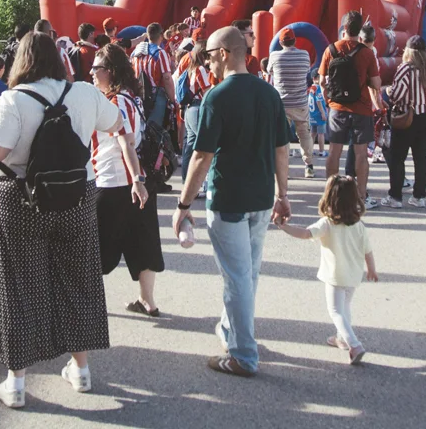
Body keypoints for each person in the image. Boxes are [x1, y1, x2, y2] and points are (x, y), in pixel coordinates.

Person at [0, 32, 129, 408]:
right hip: (77, 196)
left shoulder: (13, 100)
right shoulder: (84, 92)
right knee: (78, 280)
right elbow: (116, 123)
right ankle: (81, 370)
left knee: (19, 286)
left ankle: (16, 382)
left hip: (20, 198)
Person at [172, 25, 290, 378]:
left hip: (229, 200)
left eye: (209, 56)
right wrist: (283, 195)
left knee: (237, 277)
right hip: (261, 199)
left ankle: (243, 355)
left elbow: (201, 157)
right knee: (247, 274)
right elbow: (281, 149)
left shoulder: (217, 97)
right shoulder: (269, 93)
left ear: (224, 54)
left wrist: (183, 205)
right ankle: (232, 331)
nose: (207, 63)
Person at [274, 174, 377, 364]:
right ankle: (341, 338)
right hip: (354, 275)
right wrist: (371, 269)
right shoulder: (359, 225)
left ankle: (354, 344)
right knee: (345, 308)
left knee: (335, 311)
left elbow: (305, 234)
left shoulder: (328, 223)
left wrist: (284, 227)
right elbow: (368, 251)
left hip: (335, 276)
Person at [90, 45, 158, 315]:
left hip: (114, 180)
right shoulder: (132, 97)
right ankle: (147, 300)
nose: (91, 73)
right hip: (135, 180)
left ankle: (89, 303)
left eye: (96, 68)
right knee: (142, 242)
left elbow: (126, 142)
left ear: (110, 71)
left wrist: (136, 180)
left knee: (95, 247)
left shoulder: (115, 102)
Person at [319, 11, 381, 207]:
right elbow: (376, 84)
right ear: (359, 30)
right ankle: (361, 196)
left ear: (344, 28)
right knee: (361, 154)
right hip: (361, 109)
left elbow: (321, 81)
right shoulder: (367, 53)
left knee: (334, 152)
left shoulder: (331, 49)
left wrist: (328, 101)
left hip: (337, 108)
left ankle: (330, 197)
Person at [378, 36, 426, 209]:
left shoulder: (406, 68)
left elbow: (397, 95)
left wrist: (388, 90)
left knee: (397, 157)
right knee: (422, 157)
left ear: (408, 51)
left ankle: (395, 197)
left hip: (409, 117)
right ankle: (419, 196)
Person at [267, 28, 315, 178]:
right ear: (295, 41)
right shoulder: (305, 55)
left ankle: (283, 169)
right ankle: (309, 166)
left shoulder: (274, 56)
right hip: (300, 102)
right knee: (304, 134)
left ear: (281, 42)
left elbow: (269, 71)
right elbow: (307, 72)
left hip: (281, 103)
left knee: (282, 137)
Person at [174, 40, 217, 191]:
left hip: (190, 109)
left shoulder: (191, 68)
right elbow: (207, 92)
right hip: (199, 108)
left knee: (189, 148)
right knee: (207, 146)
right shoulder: (201, 70)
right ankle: (207, 184)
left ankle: (187, 183)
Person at [131, 22, 177, 128]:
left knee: (140, 127)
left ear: (147, 35)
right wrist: (172, 100)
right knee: (154, 129)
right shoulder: (160, 53)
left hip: (138, 94)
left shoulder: (135, 53)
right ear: (161, 35)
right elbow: (167, 78)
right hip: (155, 94)